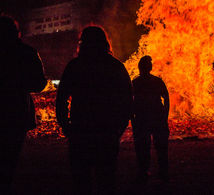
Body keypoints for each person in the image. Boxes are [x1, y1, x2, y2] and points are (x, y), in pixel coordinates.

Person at [56, 26, 133, 195]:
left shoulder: (75, 66)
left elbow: (61, 98)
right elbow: (127, 100)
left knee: (81, 182)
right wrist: (119, 128)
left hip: (80, 131)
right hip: (106, 132)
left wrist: (66, 126)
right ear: (104, 43)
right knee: (106, 180)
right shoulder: (115, 66)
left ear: (83, 43)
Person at [0, 16, 46, 194]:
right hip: (16, 112)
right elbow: (39, 84)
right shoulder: (26, 52)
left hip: (15, 113)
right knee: (8, 162)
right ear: (16, 33)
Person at [131, 55, 170, 182]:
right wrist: (165, 114)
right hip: (156, 116)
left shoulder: (135, 82)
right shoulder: (157, 81)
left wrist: (132, 118)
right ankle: (163, 172)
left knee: (143, 146)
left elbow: (129, 101)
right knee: (160, 147)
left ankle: (144, 171)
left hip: (143, 118)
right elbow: (166, 98)